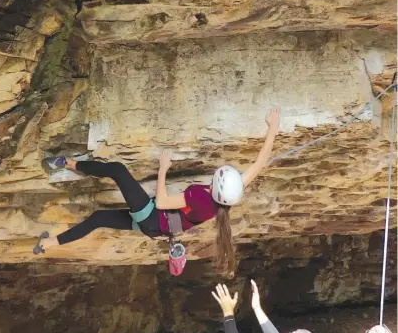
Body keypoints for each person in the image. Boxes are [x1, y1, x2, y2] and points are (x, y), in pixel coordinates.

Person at [33, 109, 281, 274]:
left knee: (118, 170)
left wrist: (163, 169)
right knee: (98, 219)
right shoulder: (226, 200)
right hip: (154, 228)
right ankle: (47, 244)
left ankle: (68, 163)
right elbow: (259, 163)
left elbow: (162, 202)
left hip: (152, 215)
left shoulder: (201, 197)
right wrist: (272, 128)